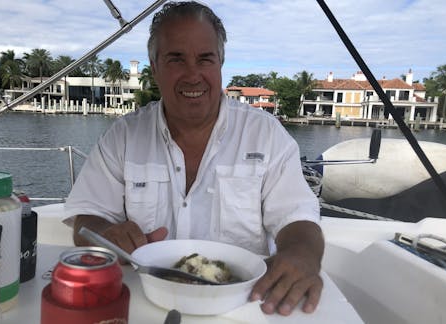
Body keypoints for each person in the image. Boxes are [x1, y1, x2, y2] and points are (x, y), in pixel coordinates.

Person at [63, 1, 324, 316]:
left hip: (242, 308)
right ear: (154, 66)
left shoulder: (265, 134)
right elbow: (85, 221)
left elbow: (299, 218)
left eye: (205, 59)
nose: (192, 75)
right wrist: (106, 234)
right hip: (146, 303)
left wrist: (302, 254)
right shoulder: (123, 136)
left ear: (220, 64)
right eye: (176, 59)